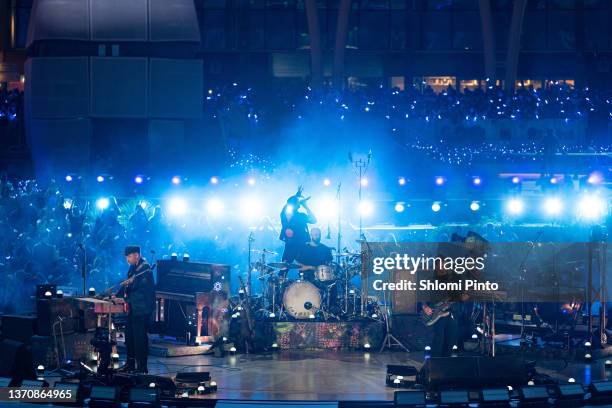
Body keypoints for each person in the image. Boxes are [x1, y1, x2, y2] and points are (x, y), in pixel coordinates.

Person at [116, 245, 155, 373]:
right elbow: (127, 284)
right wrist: (116, 295)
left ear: (136, 255)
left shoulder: (145, 270)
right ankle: (130, 364)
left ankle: (142, 367)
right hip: (133, 309)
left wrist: (126, 299)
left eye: (129, 256)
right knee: (129, 337)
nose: (127, 259)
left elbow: (142, 292)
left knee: (139, 339)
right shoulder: (133, 268)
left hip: (141, 310)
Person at [279, 186, 317, 263]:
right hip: (300, 245)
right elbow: (314, 220)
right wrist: (305, 206)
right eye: (298, 202)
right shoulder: (300, 216)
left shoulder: (285, 215)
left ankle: (282, 275)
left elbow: (286, 206)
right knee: (304, 267)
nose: (299, 203)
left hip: (293, 245)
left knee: (284, 267)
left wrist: (296, 196)